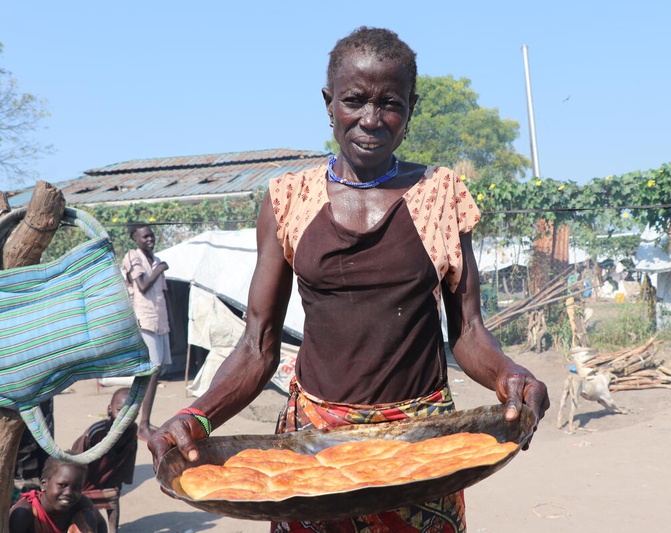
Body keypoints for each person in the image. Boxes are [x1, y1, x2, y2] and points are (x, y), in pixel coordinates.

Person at [148, 26, 549, 532]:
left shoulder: (438, 195)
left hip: (421, 441)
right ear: (328, 103)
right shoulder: (287, 200)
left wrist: (509, 375)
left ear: (411, 108)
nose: (371, 120)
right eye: (354, 101)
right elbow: (257, 343)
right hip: (314, 443)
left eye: (390, 103)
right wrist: (197, 416)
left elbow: (468, 331)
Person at [120, 222, 171, 441]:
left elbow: (163, 295)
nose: (150, 239)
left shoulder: (157, 260)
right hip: (144, 320)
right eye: (145, 237)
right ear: (135, 239)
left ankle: (140, 422)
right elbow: (142, 286)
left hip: (160, 321)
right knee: (151, 372)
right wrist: (159, 270)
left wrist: (172, 328)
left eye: (151, 236)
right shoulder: (133, 257)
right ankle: (142, 424)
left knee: (155, 373)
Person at [70, 388, 138, 533]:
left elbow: (127, 459)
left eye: (132, 413)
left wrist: (119, 482)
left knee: (113, 494)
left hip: (107, 479)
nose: (126, 417)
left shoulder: (132, 432)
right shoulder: (96, 432)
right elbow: (77, 458)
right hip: (85, 479)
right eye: (120, 410)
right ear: (109, 410)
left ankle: (113, 530)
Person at [9, 457, 107, 533]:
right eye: (62, 485)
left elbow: (101, 524)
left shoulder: (81, 503)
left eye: (77, 488)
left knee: (88, 516)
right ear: (44, 483)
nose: (68, 493)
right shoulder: (23, 513)